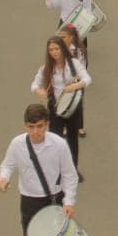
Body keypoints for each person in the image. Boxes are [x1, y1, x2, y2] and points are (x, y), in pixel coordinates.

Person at [0, 104, 79, 236]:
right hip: (29, 201)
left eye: (40, 126)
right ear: (25, 126)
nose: (36, 132)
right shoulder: (17, 144)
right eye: (31, 127)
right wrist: (4, 177)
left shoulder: (59, 144)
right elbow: (7, 165)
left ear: (48, 125)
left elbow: (70, 175)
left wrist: (69, 201)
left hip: (54, 199)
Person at [31, 37, 90, 178]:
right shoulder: (46, 68)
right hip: (55, 109)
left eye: (56, 48)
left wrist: (75, 85)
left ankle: (73, 169)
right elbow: (34, 84)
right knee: (55, 140)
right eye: (51, 50)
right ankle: (56, 170)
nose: (54, 52)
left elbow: (87, 79)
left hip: (72, 108)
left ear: (62, 49)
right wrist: (39, 91)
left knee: (72, 139)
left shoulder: (74, 64)